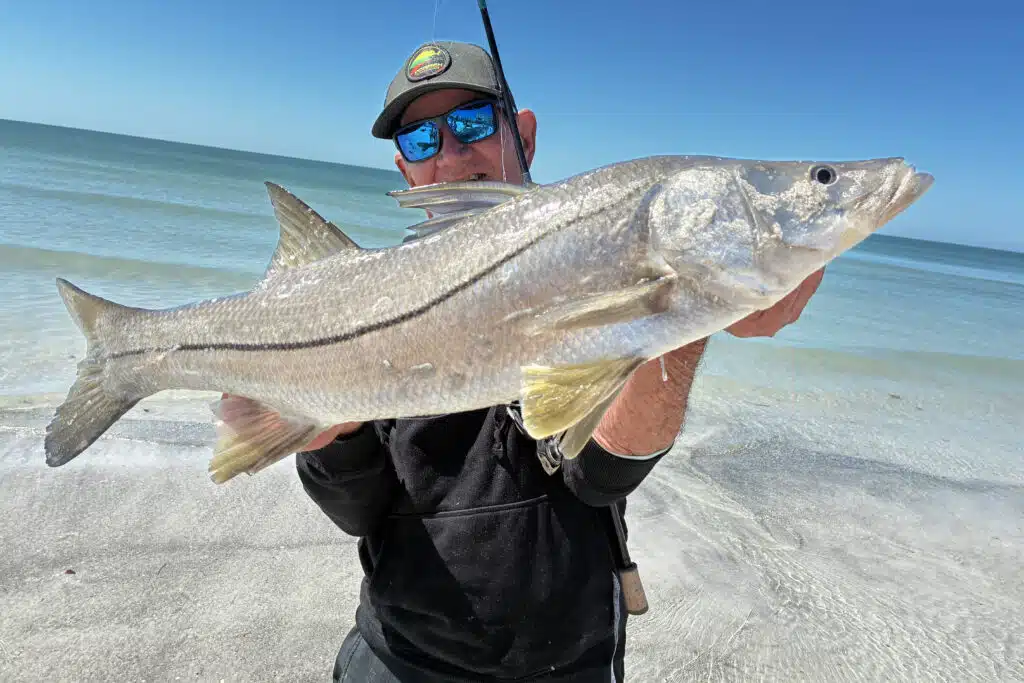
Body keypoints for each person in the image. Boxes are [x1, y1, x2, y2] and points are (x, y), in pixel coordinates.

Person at [290, 41, 825, 682]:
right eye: (422, 140)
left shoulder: (604, 249)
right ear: (405, 169)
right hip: (398, 658)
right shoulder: (370, 303)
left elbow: (601, 477)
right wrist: (326, 430)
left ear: (524, 135)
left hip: (569, 664)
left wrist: (687, 310)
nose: (451, 155)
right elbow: (356, 513)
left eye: (471, 124)